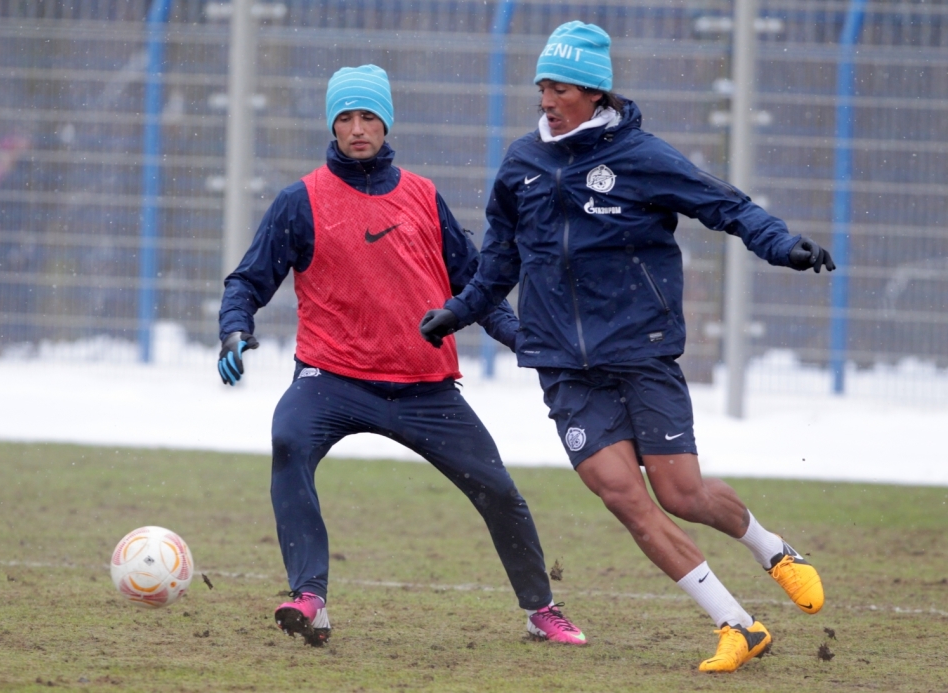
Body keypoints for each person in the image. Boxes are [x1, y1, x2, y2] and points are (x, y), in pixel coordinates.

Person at [420, 22, 832, 673]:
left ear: (594, 92)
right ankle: (736, 624)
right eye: (541, 87)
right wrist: (455, 313)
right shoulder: (520, 167)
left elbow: (726, 206)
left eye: (560, 88)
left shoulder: (640, 156)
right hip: (562, 365)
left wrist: (781, 244)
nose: (547, 100)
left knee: (680, 491)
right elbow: (497, 268)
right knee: (621, 493)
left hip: (640, 352)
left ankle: (773, 550)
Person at [217, 64, 586, 647]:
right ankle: (310, 596)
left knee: (497, 489)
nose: (357, 129)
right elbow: (247, 281)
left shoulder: (421, 196)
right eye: (345, 118)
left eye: (368, 117)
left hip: (424, 387)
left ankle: (541, 609)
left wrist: (525, 340)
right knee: (289, 440)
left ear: (386, 124)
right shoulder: (301, 200)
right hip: (331, 378)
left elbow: (477, 287)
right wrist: (234, 330)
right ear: (332, 127)